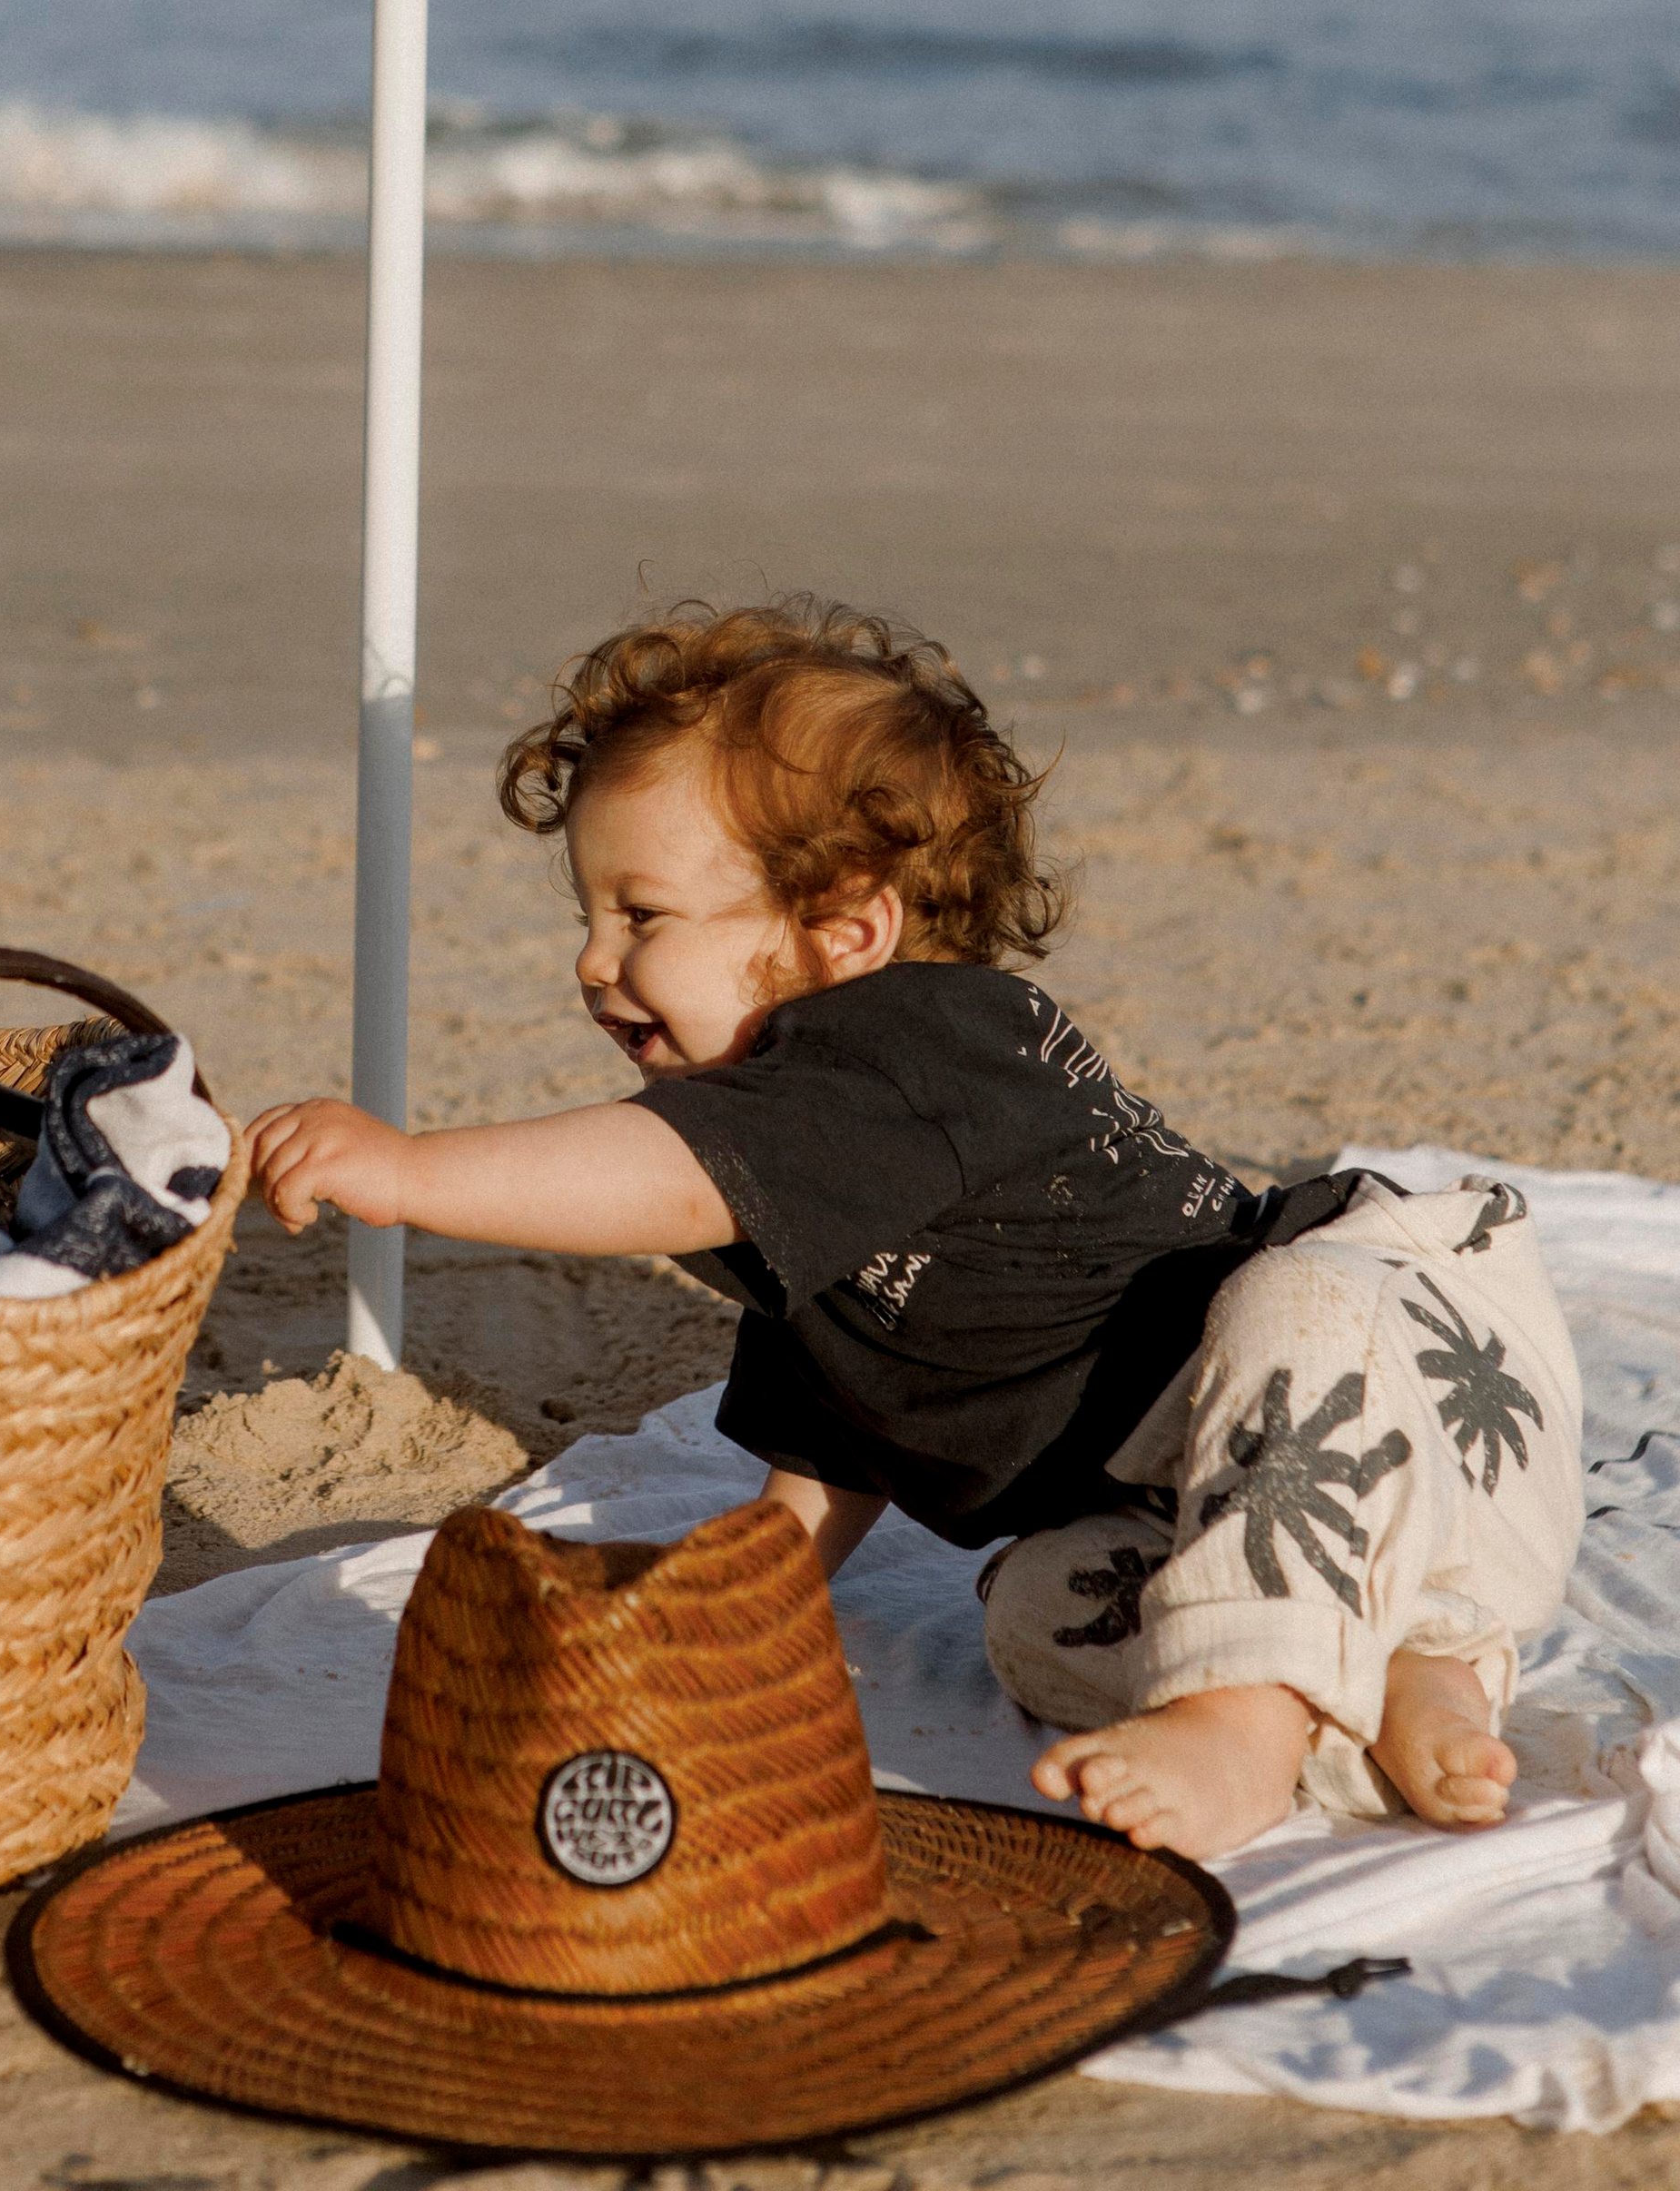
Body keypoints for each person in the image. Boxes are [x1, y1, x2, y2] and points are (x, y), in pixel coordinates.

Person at [249, 600, 1582, 1862]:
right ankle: (1404, 1675)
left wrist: (413, 1172)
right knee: (1036, 1609)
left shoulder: (918, 1046)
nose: (594, 962)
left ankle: (1239, 1719)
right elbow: (834, 1444)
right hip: (1277, 1521)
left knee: (1294, 1301)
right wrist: (736, 1612)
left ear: (849, 930)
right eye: (589, 916)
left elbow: (666, 1177)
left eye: (641, 916)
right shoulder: (815, 1172)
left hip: (1409, 1370)